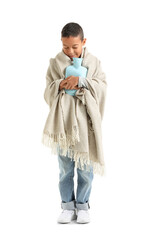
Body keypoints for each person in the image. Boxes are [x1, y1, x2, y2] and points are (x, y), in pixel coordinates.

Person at [42, 22, 107, 224]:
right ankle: (67, 206)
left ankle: (83, 205)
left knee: (85, 169)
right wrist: (60, 84)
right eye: (65, 47)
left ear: (83, 42)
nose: (70, 52)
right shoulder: (55, 64)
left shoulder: (94, 62)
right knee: (65, 168)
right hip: (64, 125)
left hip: (86, 125)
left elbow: (102, 86)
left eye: (74, 47)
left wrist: (82, 81)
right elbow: (48, 92)